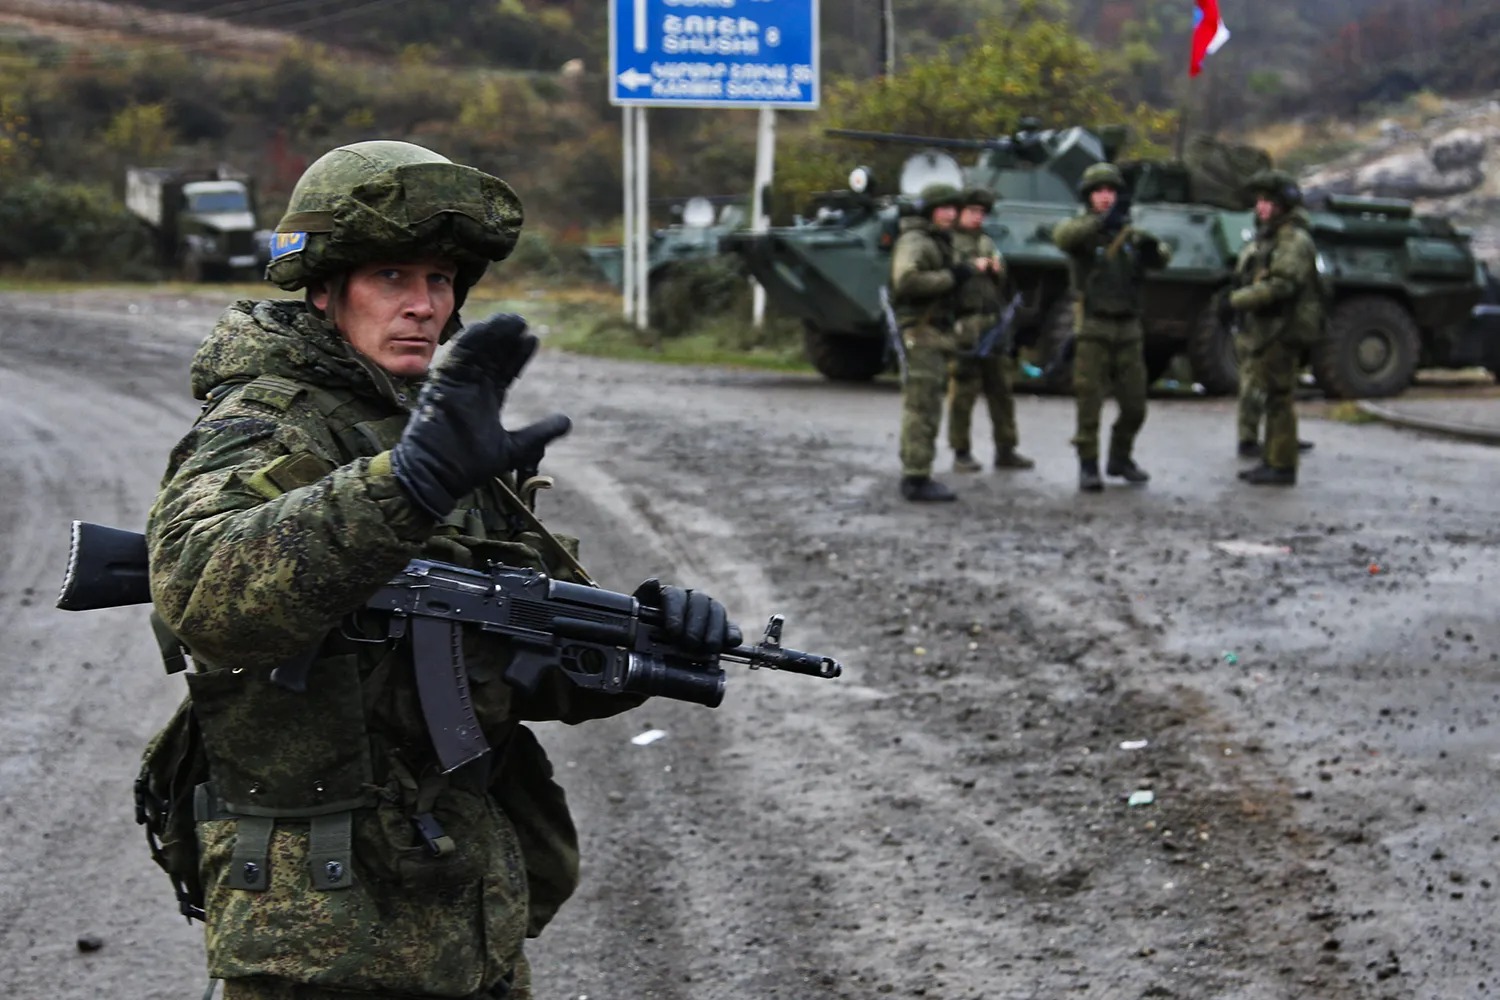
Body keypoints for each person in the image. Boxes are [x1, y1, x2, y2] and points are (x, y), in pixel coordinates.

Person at [144, 140, 739, 999]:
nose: (423, 305)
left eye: (440, 280)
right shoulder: (268, 422)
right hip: (322, 933)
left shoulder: (428, 431)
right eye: (392, 277)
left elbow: (519, 662)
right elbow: (206, 592)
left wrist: (644, 641)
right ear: (325, 287)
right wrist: (408, 486)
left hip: (462, 906)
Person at [1052, 163, 1170, 492]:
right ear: (1088, 196)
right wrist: (1101, 222)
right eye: (1098, 191)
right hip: (1093, 326)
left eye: (1110, 191)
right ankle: (1088, 465)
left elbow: (1161, 258)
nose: (1105, 197)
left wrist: (1152, 250)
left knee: (1135, 404)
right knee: (1089, 402)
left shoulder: (1129, 234)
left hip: (1128, 328)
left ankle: (1120, 457)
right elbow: (1063, 238)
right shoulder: (1080, 229)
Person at [1227, 168, 1324, 486]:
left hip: (1284, 329)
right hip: (1270, 329)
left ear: (1282, 205)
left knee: (1279, 398)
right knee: (1272, 396)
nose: (1261, 207)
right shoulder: (1270, 238)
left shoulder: (1293, 240)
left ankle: (1281, 465)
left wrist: (1238, 300)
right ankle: (1273, 458)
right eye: (1259, 201)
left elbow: (1283, 284)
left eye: (1267, 201)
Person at [889, 182, 971, 502]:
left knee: (929, 403)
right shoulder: (916, 241)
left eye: (954, 208)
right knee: (922, 405)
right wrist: (952, 278)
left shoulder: (937, 241)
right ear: (930, 211)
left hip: (933, 332)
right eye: (944, 208)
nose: (950, 214)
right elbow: (906, 279)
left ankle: (917, 470)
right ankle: (916, 476)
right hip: (920, 331)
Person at [946, 187, 1033, 473]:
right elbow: (946, 276)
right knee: (964, 391)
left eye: (981, 213)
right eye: (972, 212)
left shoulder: (985, 240)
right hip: (966, 323)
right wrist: (970, 266)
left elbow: (1004, 276)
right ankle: (961, 451)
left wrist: (997, 268)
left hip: (994, 322)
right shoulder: (949, 242)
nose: (977, 217)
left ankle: (1006, 448)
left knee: (1002, 390)